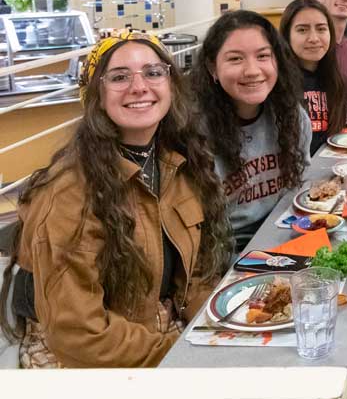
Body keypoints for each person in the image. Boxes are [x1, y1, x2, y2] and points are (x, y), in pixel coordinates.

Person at [0, 31, 230, 368]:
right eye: (120, 77)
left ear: (171, 85)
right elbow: (79, 334)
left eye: (153, 72)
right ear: (96, 96)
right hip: (85, 360)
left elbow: (194, 279)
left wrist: (218, 330)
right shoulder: (68, 192)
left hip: (161, 336)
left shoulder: (177, 163)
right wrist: (182, 355)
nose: (139, 87)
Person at [194, 10, 312, 253]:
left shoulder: (291, 116)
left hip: (286, 238)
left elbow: (298, 193)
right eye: (235, 59)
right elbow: (200, 238)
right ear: (212, 67)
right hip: (226, 257)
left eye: (263, 56)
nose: (252, 70)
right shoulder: (194, 133)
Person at [280, 0, 347, 156]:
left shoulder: (336, 80)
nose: (314, 38)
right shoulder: (277, 83)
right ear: (286, 36)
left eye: (321, 29)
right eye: (302, 30)